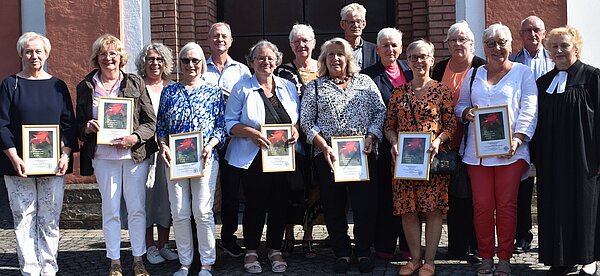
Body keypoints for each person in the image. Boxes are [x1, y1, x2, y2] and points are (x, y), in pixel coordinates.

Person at [455, 23, 537, 276]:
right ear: (484, 47)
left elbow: (529, 108)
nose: (497, 48)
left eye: (502, 42)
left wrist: (517, 139)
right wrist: (467, 113)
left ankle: (504, 258)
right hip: (477, 154)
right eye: (491, 43)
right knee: (481, 205)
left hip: (510, 152)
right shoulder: (475, 73)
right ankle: (486, 257)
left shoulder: (523, 72)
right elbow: (461, 106)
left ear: (510, 45)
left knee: (507, 205)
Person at [300, 37, 386, 274]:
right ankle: (342, 252)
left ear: (348, 58)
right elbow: (306, 121)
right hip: (329, 156)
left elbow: (380, 112)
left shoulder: (365, 82)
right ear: (324, 60)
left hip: (363, 153)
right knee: (334, 206)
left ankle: (363, 251)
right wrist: (323, 145)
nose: (335, 59)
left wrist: (372, 136)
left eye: (340, 54)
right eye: (330, 55)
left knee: (364, 206)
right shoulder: (315, 87)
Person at [77, 34, 157, 276]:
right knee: (110, 210)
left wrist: (135, 137)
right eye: (103, 53)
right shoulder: (86, 85)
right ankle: (114, 261)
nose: (108, 58)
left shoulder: (134, 82)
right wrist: (87, 127)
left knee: (136, 209)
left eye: (113, 53)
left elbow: (150, 121)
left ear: (121, 57)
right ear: (96, 58)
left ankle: (138, 258)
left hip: (132, 157)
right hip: (102, 157)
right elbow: (78, 122)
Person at [0, 32, 77, 276]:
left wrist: (65, 155)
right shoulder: (10, 84)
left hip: (53, 165)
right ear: (21, 54)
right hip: (17, 165)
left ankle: (49, 266)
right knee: (23, 217)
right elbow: (1, 123)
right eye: (28, 51)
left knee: (50, 218)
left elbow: (68, 124)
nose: (34, 56)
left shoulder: (58, 85)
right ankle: (30, 269)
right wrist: (14, 158)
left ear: (47, 54)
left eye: (38, 51)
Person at [225, 40, 299, 274]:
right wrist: (251, 133)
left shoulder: (287, 86)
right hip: (253, 156)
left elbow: (295, 118)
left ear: (276, 61)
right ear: (251, 61)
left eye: (269, 58)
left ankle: (275, 248)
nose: (265, 62)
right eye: (260, 58)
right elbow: (229, 123)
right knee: (255, 205)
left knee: (279, 203)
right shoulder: (241, 87)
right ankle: (252, 250)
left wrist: (295, 130)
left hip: (281, 156)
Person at [383, 39, 455, 276]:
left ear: (432, 60)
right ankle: (414, 259)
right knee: (408, 209)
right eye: (413, 57)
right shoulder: (398, 92)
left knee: (433, 210)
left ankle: (430, 261)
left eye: (423, 56)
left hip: (431, 160)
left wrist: (437, 141)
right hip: (404, 161)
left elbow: (450, 125)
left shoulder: (441, 91)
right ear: (408, 61)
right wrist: (394, 143)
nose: (418, 61)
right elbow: (389, 125)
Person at [534, 26, 600, 276]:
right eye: (554, 47)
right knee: (555, 204)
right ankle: (560, 258)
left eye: (564, 46)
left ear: (576, 47)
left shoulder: (593, 77)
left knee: (585, 204)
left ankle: (589, 258)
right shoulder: (543, 83)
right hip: (551, 156)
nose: (559, 51)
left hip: (584, 154)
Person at [156, 42, 225, 276]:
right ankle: (185, 262)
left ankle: (207, 263)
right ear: (180, 64)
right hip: (175, 160)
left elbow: (221, 127)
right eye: (186, 60)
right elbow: (161, 126)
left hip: (204, 158)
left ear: (202, 64)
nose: (191, 65)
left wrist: (211, 145)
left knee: (202, 211)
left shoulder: (213, 91)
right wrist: (164, 146)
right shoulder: (169, 91)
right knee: (179, 211)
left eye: (195, 60)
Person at [431, 21, 485, 263]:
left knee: (475, 196)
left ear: (472, 43)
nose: (458, 44)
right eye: (453, 40)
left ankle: (477, 246)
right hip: (445, 143)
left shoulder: (481, 67)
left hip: (475, 141)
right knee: (452, 196)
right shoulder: (440, 67)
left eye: (462, 39)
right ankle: (456, 246)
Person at [361, 27, 413, 262]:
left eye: (394, 45)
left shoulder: (410, 70)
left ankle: (409, 245)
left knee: (409, 195)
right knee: (385, 196)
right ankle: (383, 245)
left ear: (401, 48)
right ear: (378, 49)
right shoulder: (367, 75)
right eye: (385, 45)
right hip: (383, 147)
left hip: (412, 147)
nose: (390, 49)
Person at [204, 22, 252, 258]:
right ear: (209, 39)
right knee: (205, 191)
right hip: (205, 141)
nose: (220, 39)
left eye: (224, 36)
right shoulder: (200, 67)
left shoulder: (242, 70)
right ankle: (203, 239)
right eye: (215, 36)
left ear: (231, 41)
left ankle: (229, 237)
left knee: (232, 191)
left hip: (234, 140)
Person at [274, 23, 321, 259]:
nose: (301, 45)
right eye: (296, 41)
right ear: (291, 45)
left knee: (315, 187)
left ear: (313, 43)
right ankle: (288, 233)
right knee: (291, 186)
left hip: (319, 138)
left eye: (306, 40)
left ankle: (308, 234)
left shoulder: (324, 69)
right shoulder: (282, 72)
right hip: (292, 138)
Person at [509, 15, 554, 255]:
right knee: (522, 187)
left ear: (544, 33)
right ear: (520, 35)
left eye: (536, 30)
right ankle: (522, 235)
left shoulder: (555, 58)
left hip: (548, 132)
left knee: (550, 185)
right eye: (527, 30)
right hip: (522, 131)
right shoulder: (512, 61)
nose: (532, 34)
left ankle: (550, 235)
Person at [134, 42, 179, 264]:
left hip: (168, 151)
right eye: (150, 59)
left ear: (165, 63)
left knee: (165, 198)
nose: (155, 63)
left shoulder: (173, 87)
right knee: (146, 197)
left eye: (159, 59)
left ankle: (164, 244)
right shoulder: (136, 86)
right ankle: (149, 246)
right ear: (144, 62)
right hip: (144, 151)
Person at [339, 3, 378, 70]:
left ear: (364, 24)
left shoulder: (375, 50)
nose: (356, 25)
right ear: (342, 24)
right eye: (351, 22)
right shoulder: (335, 49)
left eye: (358, 21)